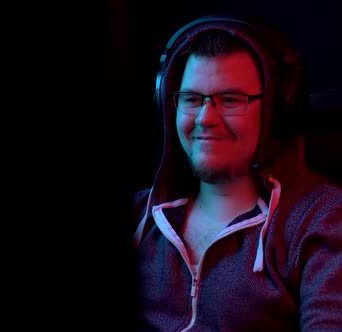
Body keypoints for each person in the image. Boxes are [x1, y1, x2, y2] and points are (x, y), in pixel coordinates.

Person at [132, 13, 342, 331]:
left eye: (230, 100)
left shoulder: (320, 220)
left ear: (278, 109)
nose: (205, 118)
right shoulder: (136, 216)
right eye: (191, 99)